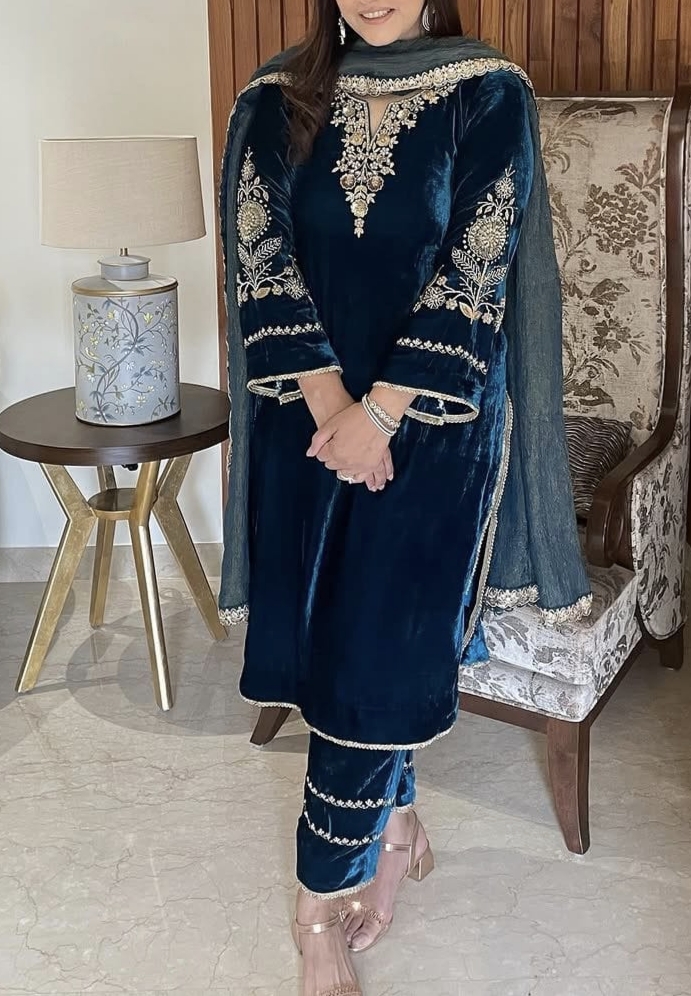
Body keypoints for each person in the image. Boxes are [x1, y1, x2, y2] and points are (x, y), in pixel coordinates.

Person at [219, 2, 592, 993]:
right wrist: (332, 408)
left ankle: (316, 904)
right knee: (334, 647)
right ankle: (396, 825)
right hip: (303, 425)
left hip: (434, 431)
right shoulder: (273, 97)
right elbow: (261, 257)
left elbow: (479, 261)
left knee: (377, 657)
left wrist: (380, 415)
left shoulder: (486, 91)